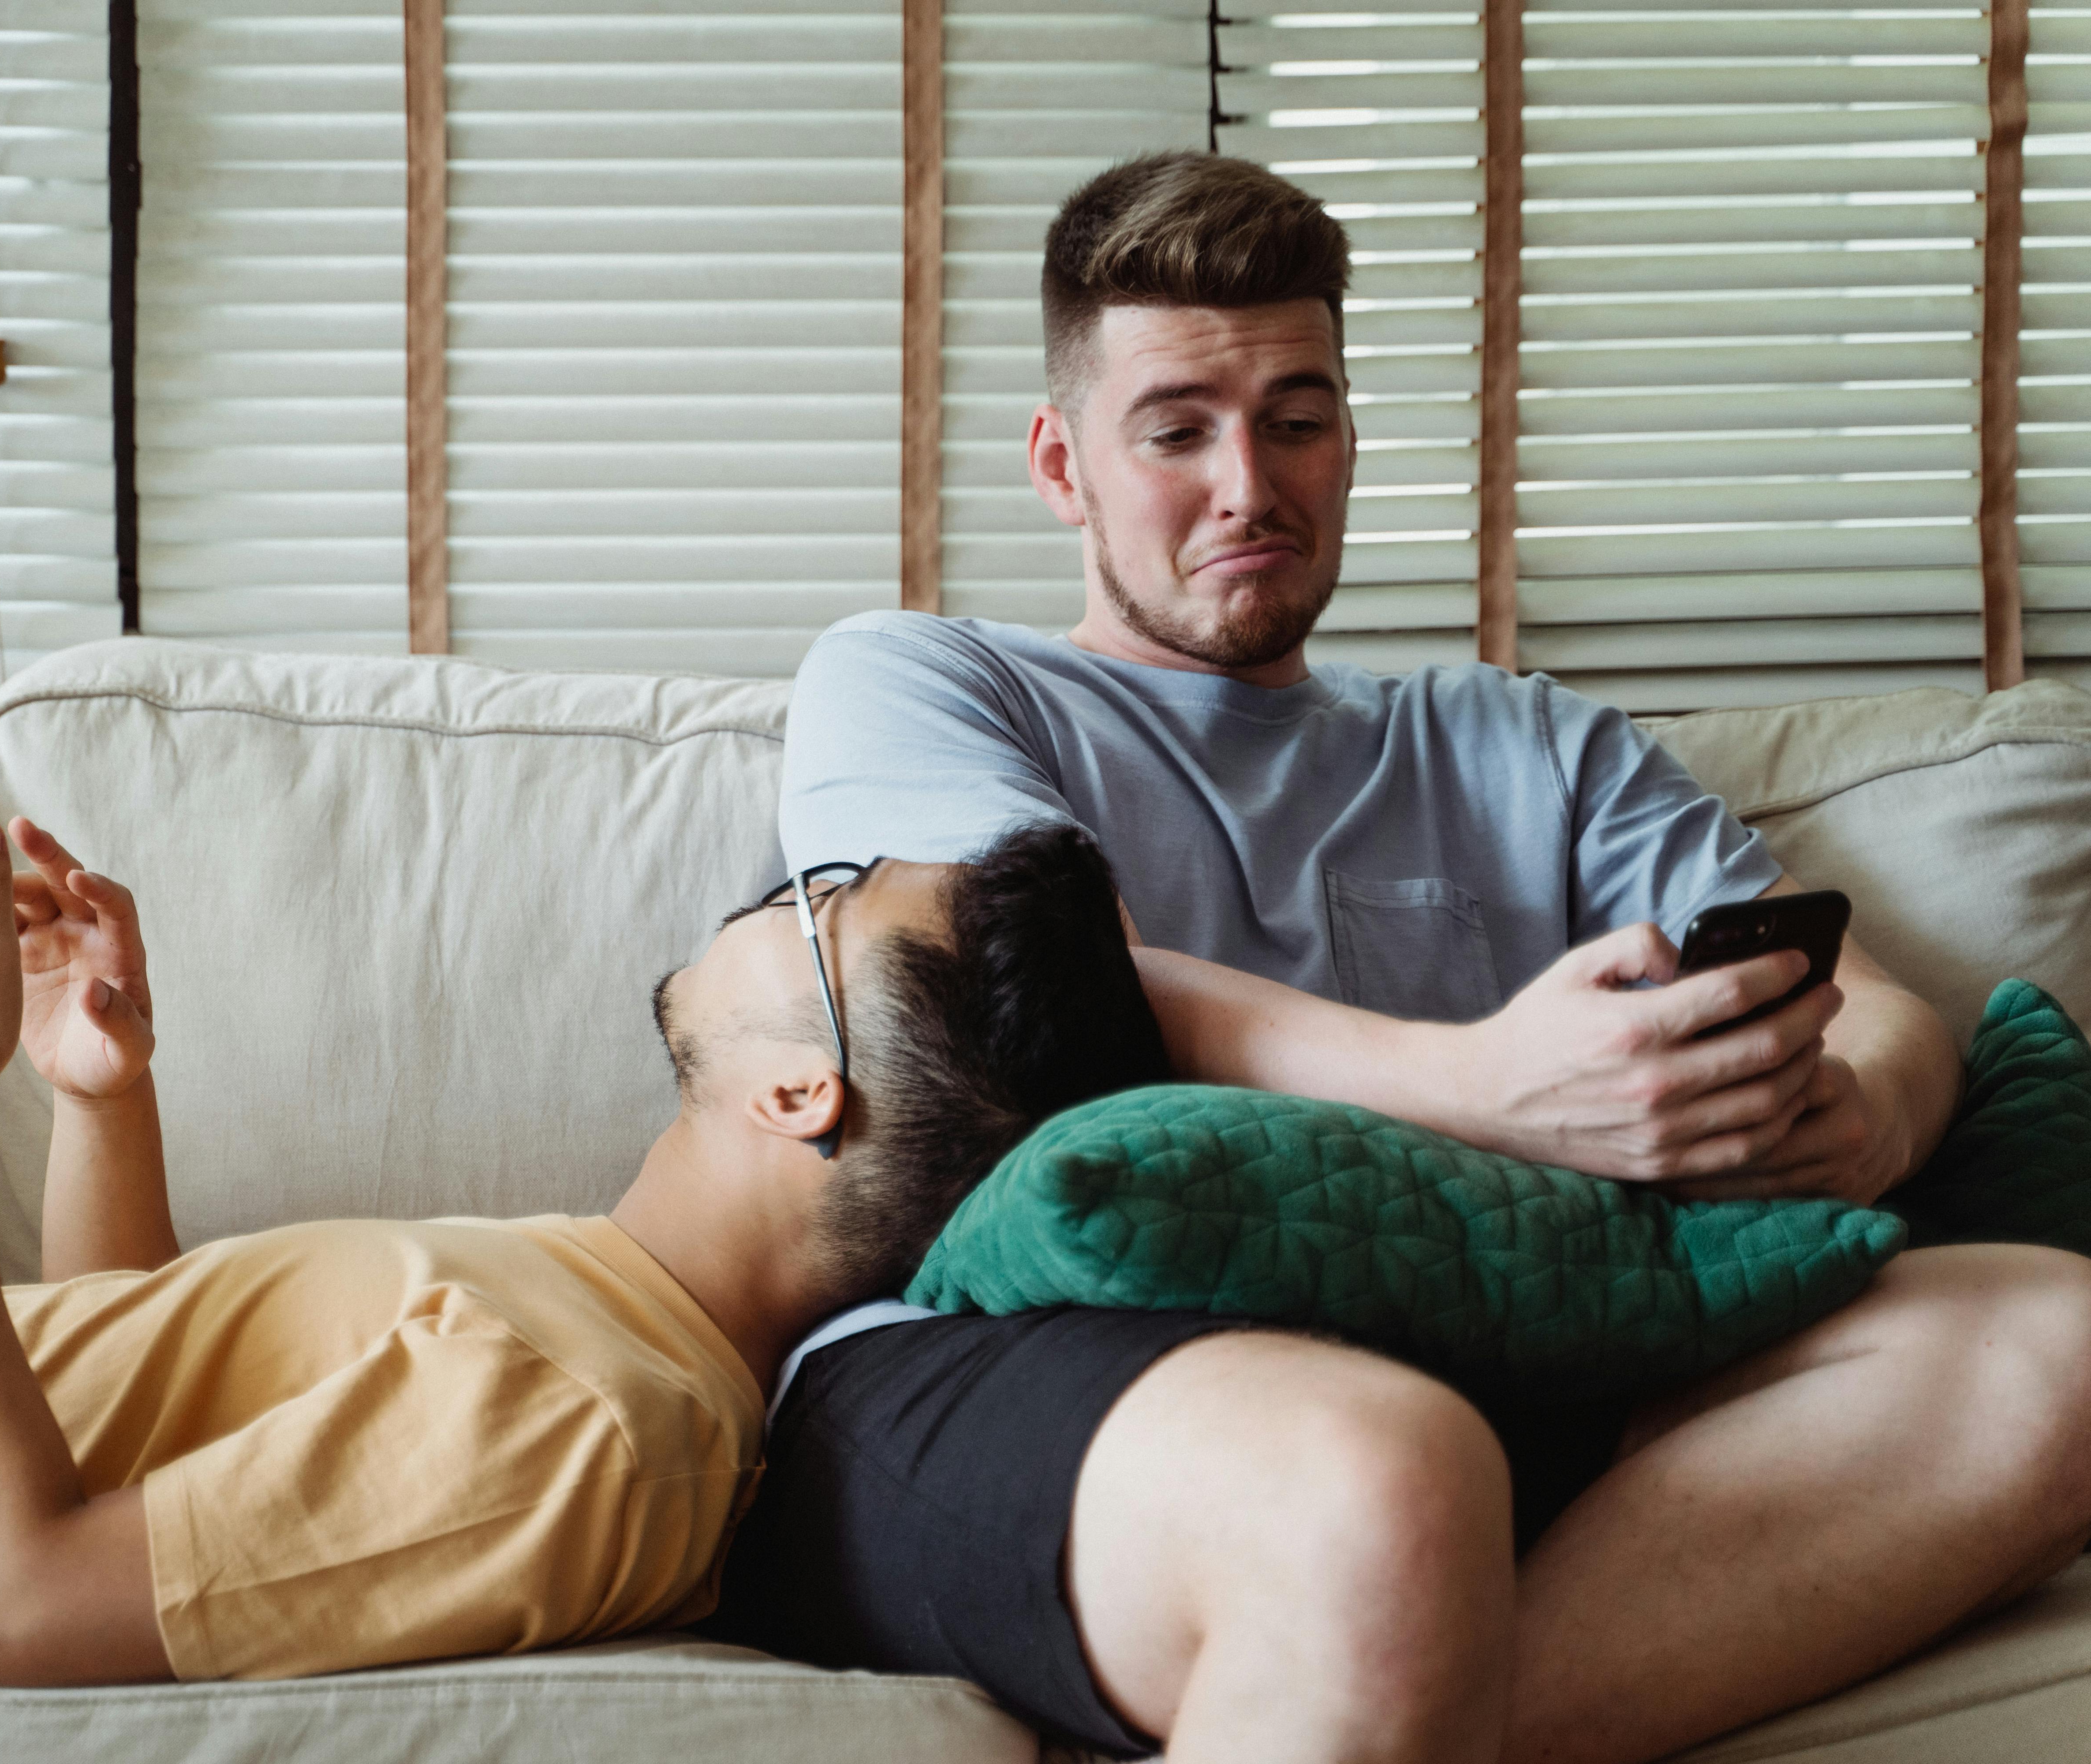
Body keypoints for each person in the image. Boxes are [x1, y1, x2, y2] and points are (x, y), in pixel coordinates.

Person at [705, 152, 2091, 1764]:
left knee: (2050, 1339)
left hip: (1503, 1362)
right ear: (1062, 463)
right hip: (990, 1363)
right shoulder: (927, 682)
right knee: (1385, 1478)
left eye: (1299, 418)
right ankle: (1377, 1637)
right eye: (1178, 430)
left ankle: (1381, 1690)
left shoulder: (1525, 740)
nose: (1250, 484)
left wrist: (1869, 1116)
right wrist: (1486, 1086)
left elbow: (1867, 1007)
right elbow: (995, 988)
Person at [0, 707, 1167, 1682]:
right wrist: (99, 1089)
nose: (798, 885)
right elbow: (139, 1405)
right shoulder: (607, 1307)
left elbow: (0, 1603)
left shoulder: (588, 1433)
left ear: (806, 1087)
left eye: (834, 908)